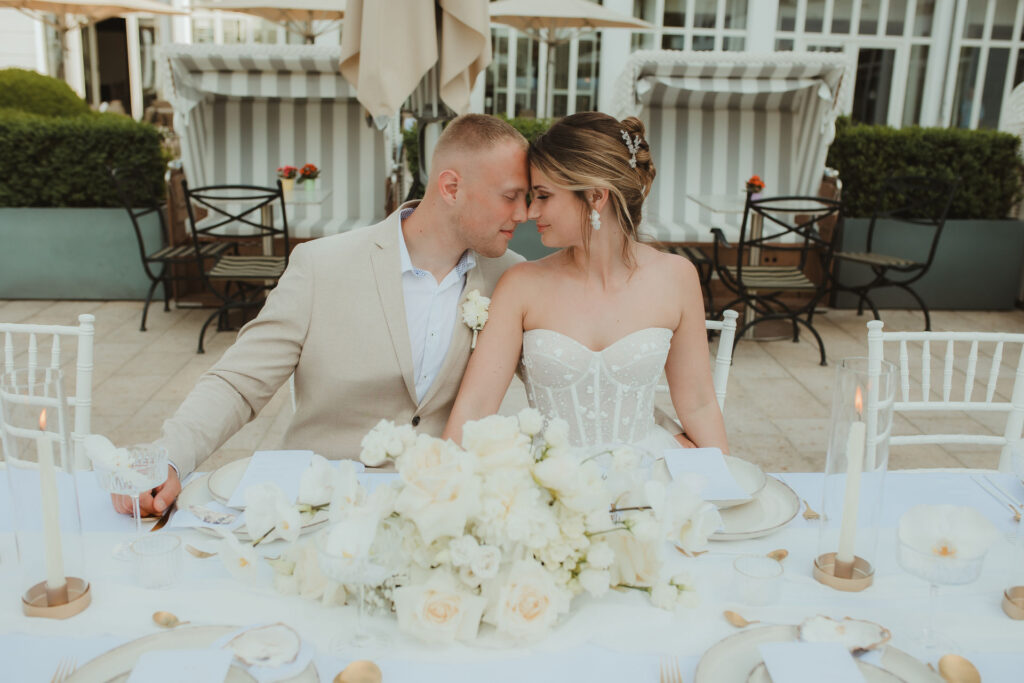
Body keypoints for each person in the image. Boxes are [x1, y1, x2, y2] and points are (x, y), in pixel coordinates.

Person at [112, 114, 530, 516]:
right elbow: (240, 382)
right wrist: (169, 458)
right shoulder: (321, 265)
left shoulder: (512, 277)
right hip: (317, 510)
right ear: (452, 187)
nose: (524, 214)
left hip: (441, 512)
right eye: (511, 196)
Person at [444, 112, 728, 456]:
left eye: (544, 196)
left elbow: (698, 404)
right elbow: (474, 410)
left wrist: (724, 485)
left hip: (644, 477)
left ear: (596, 197)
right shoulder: (520, 286)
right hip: (550, 484)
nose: (531, 213)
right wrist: (439, 493)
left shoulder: (677, 277)